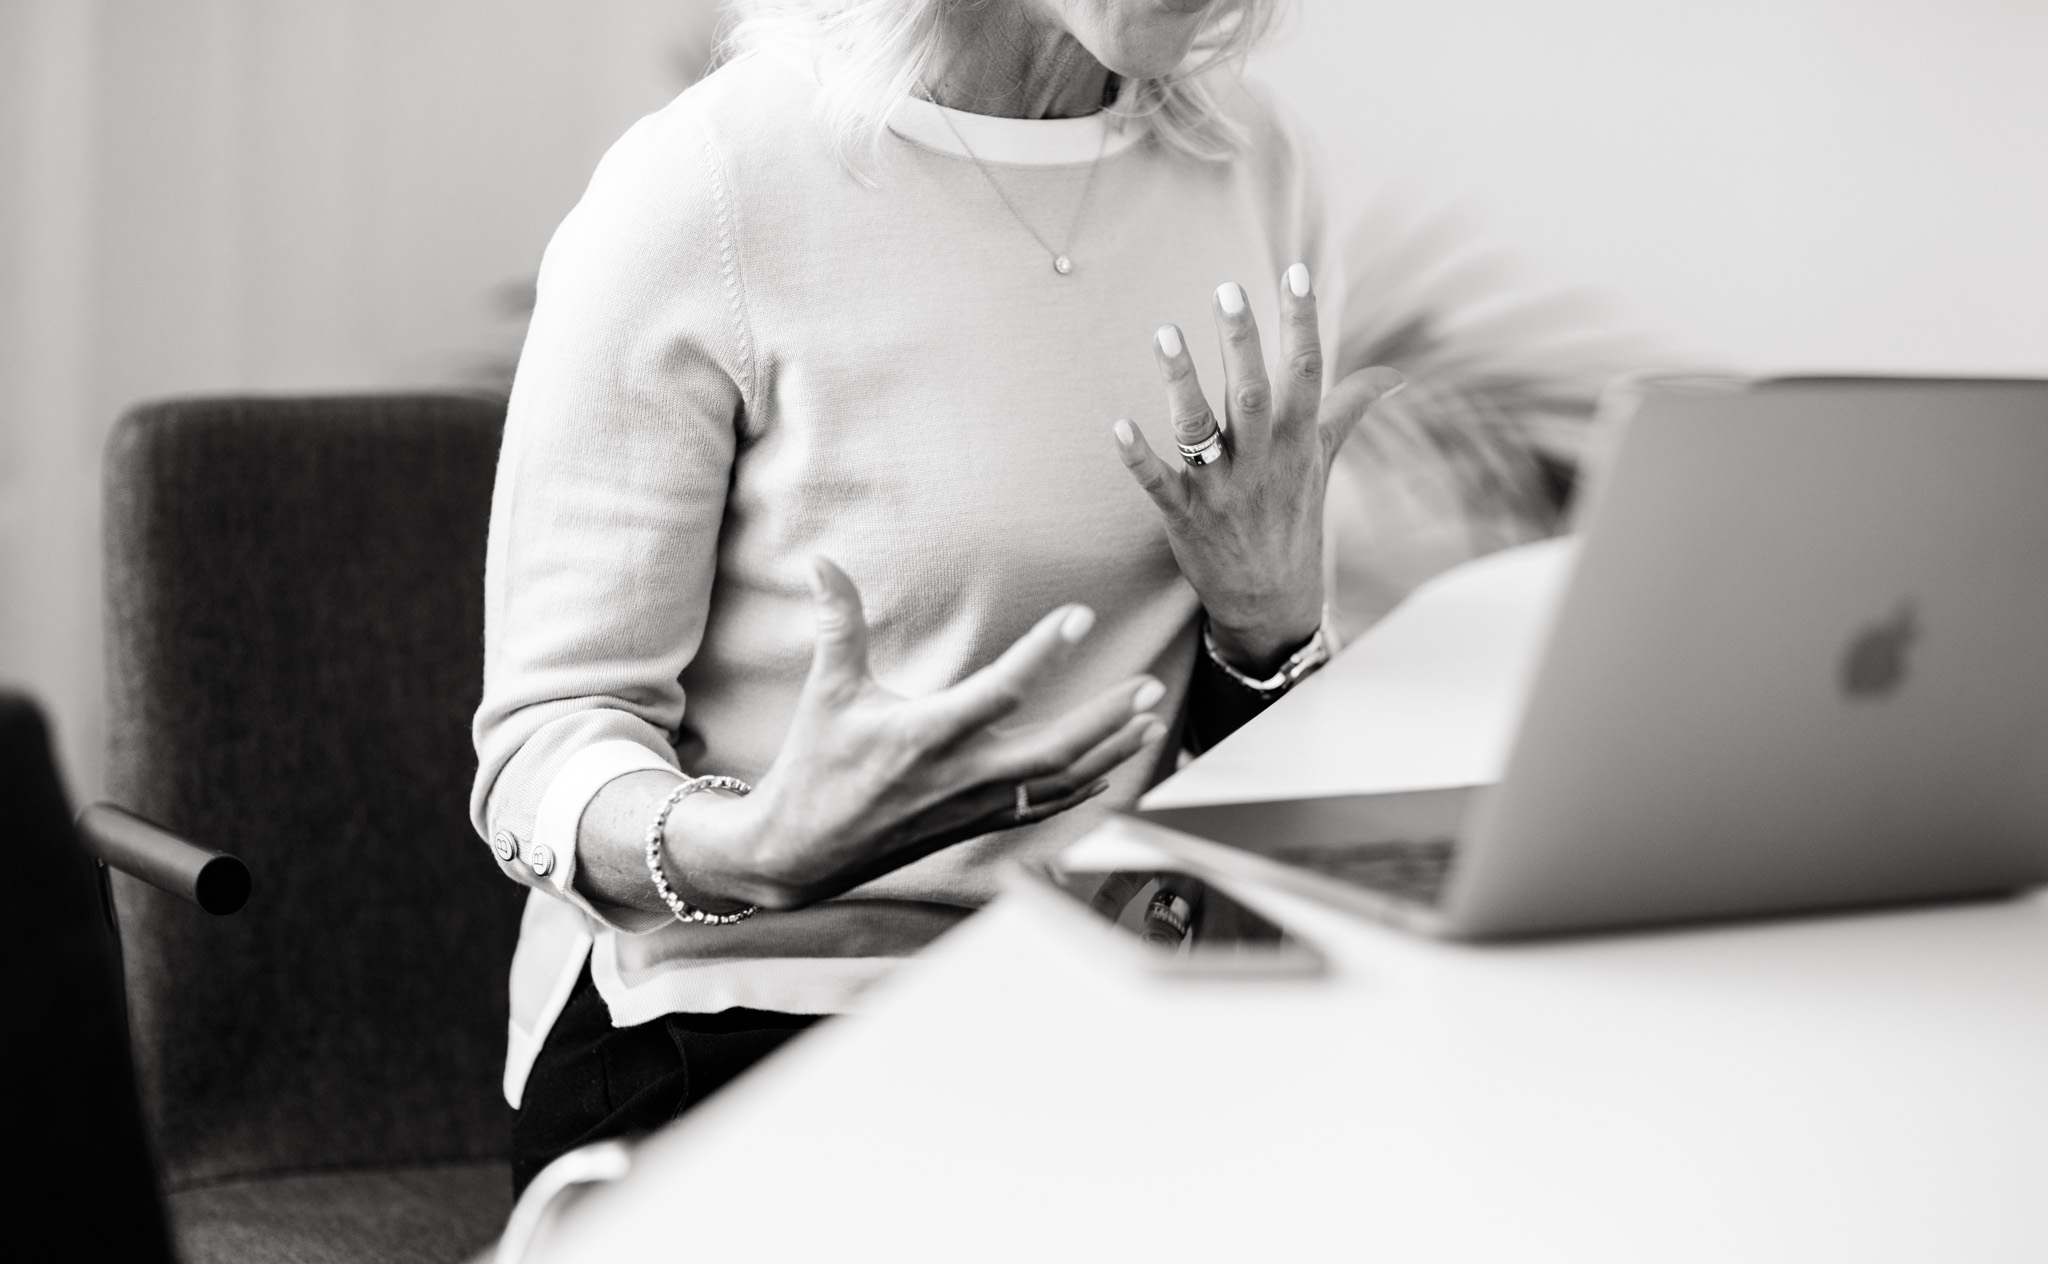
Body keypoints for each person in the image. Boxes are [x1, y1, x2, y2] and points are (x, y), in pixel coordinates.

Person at [473, 0, 1405, 1193]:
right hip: (752, 1016)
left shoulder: (1258, 172)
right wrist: (755, 848)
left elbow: (1238, 764)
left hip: (1116, 1006)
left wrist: (1265, 632)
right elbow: (538, 756)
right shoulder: (706, 186)